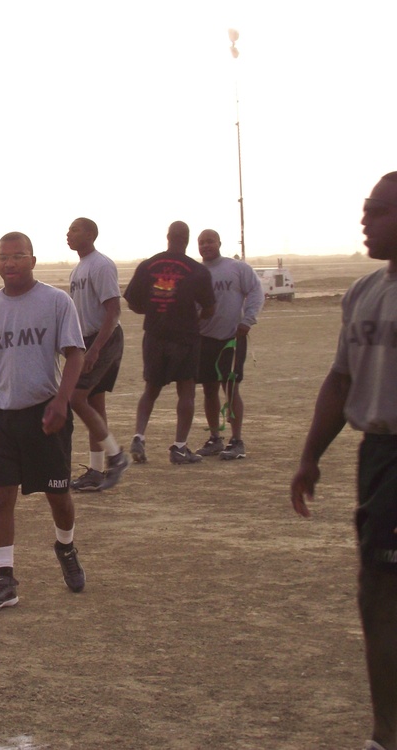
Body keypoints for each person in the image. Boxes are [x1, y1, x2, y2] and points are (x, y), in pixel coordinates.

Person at [290, 172, 397, 750]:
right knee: (376, 592)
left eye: (377, 211)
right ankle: (385, 734)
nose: (365, 220)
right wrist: (310, 456)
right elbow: (340, 378)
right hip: (379, 459)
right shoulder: (363, 292)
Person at [0, 232, 86, 612]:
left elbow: (75, 354)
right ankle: (5, 579)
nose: (9, 264)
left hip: (45, 413)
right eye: (3, 257)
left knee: (58, 496)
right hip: (1, 416)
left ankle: (65, 547)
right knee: (1, 497)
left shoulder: (55, 301)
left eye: (17, 257)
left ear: (32, 260)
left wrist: (62, 402)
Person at [123, 221, 215, 464]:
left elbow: (132, 301)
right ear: (187, 240)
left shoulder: (148, 265)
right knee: (186, 391)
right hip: (185, 337)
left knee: (150, 390)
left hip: (154, 335)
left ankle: (139, 436)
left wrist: (155, 310)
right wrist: (193, 316)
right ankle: (179, 447)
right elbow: (210, 307)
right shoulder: (197, 270)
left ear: (168, 237)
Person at [65, 218, 131, 491]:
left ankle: (116, 456)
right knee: (95, 404)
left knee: (75, 398)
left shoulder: (101, 265)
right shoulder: (78, 268)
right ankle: (96, 470)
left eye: (75, 230)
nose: (68, 234)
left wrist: (94, 350)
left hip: (102, 339)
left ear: (91, 234)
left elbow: (113, 310)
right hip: (86, 341)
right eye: (68, 230)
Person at [193, 229, 264, 460]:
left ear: (219, 243)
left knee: (231, 388)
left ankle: (236, 440)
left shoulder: (237, 268)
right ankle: (215, 438)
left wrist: (248, 320)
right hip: (204, 339)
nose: (206, 246)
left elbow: (255, 291)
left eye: (210, 241)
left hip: (232, 339)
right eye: (201, 242)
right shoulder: (196, 272)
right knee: (209, 389)